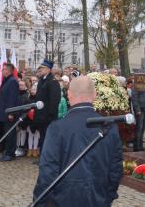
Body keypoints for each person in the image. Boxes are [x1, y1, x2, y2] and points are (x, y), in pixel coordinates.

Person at [33, 76, 123, 206]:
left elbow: (48, 171)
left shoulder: (57, 128)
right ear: (95, 95)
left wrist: (39, 202)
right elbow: (115, 170)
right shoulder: (110, 127)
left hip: (62, 199)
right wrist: (108, 196)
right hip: (98, 198)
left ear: (69, 95)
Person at [33, 59, 61, 162]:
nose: (41, 69)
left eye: (43, 68)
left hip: (48, 117)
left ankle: (46, 158)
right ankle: (42, 157)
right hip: (41, 115)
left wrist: (51, 115)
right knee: (42, 137)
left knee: (47, 138)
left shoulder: (53, 82)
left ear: (48, 69)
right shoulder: (42, 80)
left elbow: (55, 100)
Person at [0, 63, 20, 162]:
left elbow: (12, 98)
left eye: (4, 69)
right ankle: (8, 152)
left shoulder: (12, 81)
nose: (2, 71)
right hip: (4, 111)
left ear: (9, 71)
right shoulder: (7, 81)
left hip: (9, 113)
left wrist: (11, 113)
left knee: (10, 134)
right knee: (7, 133)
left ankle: (10, 153)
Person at [130, 78, 145, 152]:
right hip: (140, 109)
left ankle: (140, 145)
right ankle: (136, 146)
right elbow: (134, 97)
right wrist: (137, 109)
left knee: (143, 128)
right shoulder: (136, 84)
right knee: (139, 128)